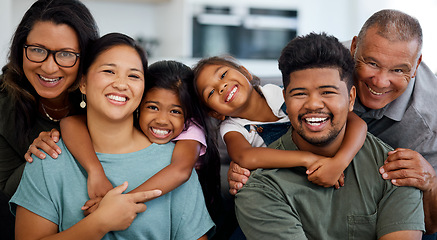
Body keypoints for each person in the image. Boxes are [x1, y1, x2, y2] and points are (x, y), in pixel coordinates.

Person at [9, 33, 214, 239]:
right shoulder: (48, 157)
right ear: (83, 83)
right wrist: (99, 223)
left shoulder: (172, 162)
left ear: (143, 90)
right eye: (109, 71)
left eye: (133, 76)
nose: (121, 84)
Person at [234, 32, 425, 240]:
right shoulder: (260, 186)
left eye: (327, 92)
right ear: (285, 101)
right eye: (300, 93)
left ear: (351, 98)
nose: (314, 104)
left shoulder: (395, 169)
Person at [193, 56, 367, 195]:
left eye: (223, 75)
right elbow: (245, 157)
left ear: (245, 73)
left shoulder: (281, 93)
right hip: (292, 183)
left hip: (339, 167)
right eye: (210, 92)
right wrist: (309, 160)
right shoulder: (233, 128)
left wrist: (339, 162)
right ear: (215, 113)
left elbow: (356, 122)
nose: (221, 86)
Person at [0, 0, 99, 238]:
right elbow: (6, 196)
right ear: (21, 48)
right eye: (37, 50)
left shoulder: (104, 98)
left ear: (85, 57)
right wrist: (38, 158)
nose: (49, 67)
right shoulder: (4, 103)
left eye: (66, 54)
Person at [348, 9, 437, 236]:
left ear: (416, 65)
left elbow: (431, 225)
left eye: (398, 70)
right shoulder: (325, 60)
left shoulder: (431, 125)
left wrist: (431, 182)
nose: (380, 81)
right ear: (353, 47)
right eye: (372, 63)